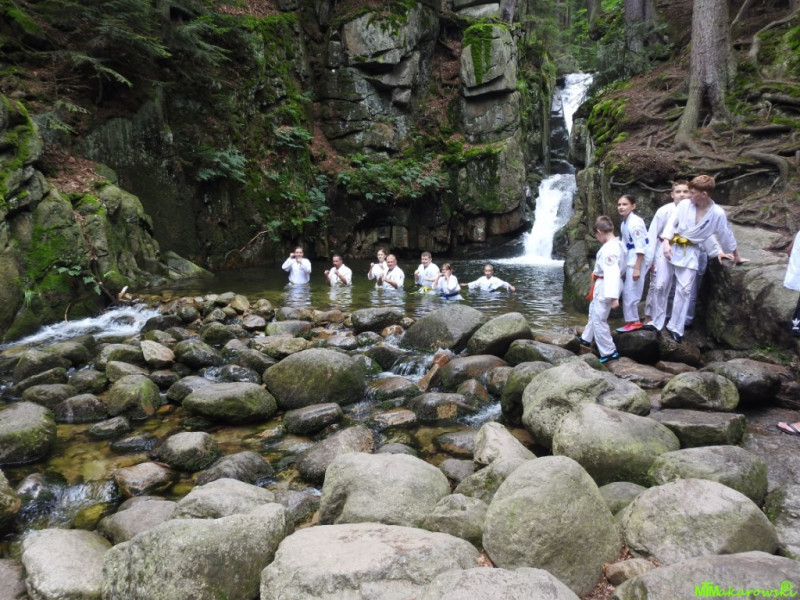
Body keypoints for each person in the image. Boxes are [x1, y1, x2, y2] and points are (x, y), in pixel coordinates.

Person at [661, 174, 746, 343]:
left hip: (691, 251)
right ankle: (656, 319)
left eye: (692, 193)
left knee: (684, 289)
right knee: (660, 284)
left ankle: (675, 327)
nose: (688, 196)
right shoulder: (684, 205)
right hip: (672, 247)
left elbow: (726, 235)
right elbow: (671, 223)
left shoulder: (717, 214)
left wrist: (736, 256)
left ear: (704, 194)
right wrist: (665, 242)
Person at [643, 180, 691, 331]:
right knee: (658, 284)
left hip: (684, 250)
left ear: (690, 193)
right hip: (662, 249)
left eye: (685, 191)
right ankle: (652, 316)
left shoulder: (694, 211)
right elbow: (652, 235)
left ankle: (675, 320)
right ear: (672, 194)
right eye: (678, 192)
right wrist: (650, 259)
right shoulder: (664, 211)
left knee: (682, 288)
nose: (682, 194)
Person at [578, 216, 624, 363]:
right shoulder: (618, 244)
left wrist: (614, 297)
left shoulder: (609, 249)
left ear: (599, 231)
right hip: (604, 282)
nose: (597, 239)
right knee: (593, 311)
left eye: (596, 235)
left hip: (606, 285)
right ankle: (586, 337)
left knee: (599, 319)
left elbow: (612, 272)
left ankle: (609, 351)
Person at [616, 195, 648, 332]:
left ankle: (635, 321)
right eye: (619, 204)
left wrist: (637, 268)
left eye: (625, 204)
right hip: (630, 257)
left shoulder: (635, 223)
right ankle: (631, 320)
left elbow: (641, 247)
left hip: (637, 259)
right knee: (627, 290)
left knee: (632, 290)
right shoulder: (624, 223)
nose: (621, 207)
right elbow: (624, 245)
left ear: (633, 206)